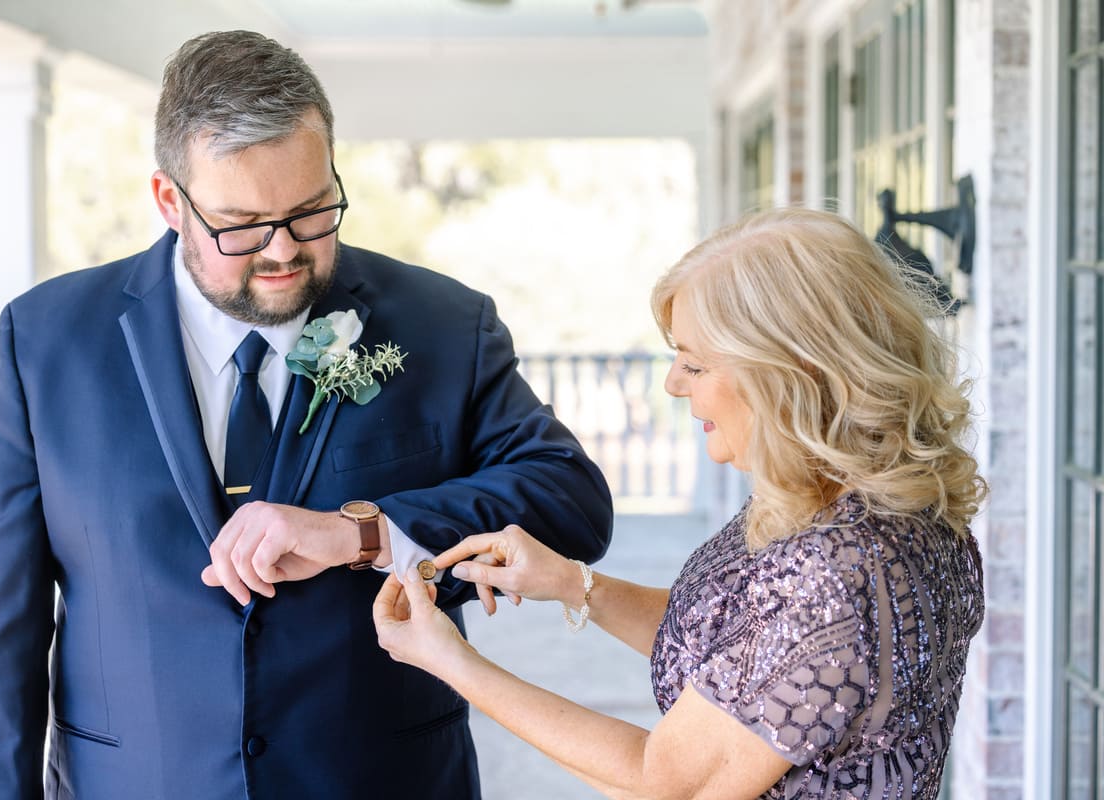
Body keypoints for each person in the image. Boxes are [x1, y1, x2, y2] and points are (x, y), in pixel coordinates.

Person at [0, 29, 612, 800]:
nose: (283, 251)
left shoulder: (443, 326)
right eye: (241, 225)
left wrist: (362, 533)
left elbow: (570, 500)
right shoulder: (47, 344)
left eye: (311, 212)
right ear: (171, 201)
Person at [375, 207, 987, 799]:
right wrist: (573, 584)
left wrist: (453, 662)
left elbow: (663, 782)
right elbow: (747, 651)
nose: (672, 383)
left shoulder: (840, 570)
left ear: (788, 373)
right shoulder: (858, 500)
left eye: (694, 363)